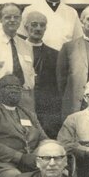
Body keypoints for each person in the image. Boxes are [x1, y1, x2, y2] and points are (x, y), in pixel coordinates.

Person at [23, 9, 62, 138]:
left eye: (42, 25)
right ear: (25, 27)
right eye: (34, 24)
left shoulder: (56, 55)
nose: (38, 28)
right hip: (23, 108)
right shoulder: (17, 50)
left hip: (47, 114)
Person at [0, 3, 36, 107]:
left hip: (24, 96)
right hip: (0, 96)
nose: (12, 20)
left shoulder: (26, 45)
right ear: (0, 19)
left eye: (16, 17)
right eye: (7, 17)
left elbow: (30, 77)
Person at [19, 0, 83, 50]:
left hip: (63, 58)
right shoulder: (30, 10)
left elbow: (78, 40)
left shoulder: (71, 12)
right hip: (37, 57)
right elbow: (21, 37)